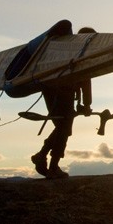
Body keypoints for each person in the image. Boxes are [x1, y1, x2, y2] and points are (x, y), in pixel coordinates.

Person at [30, 22, 95, 179]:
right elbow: (86, 81)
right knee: (64, 128)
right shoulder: (83, 54)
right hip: (59, 92)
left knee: (62, 127)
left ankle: (42, 156)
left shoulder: (70, 51)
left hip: (53, 90)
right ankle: (52, 167)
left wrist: (84, 105)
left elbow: (84, 82)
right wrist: (86, 105)